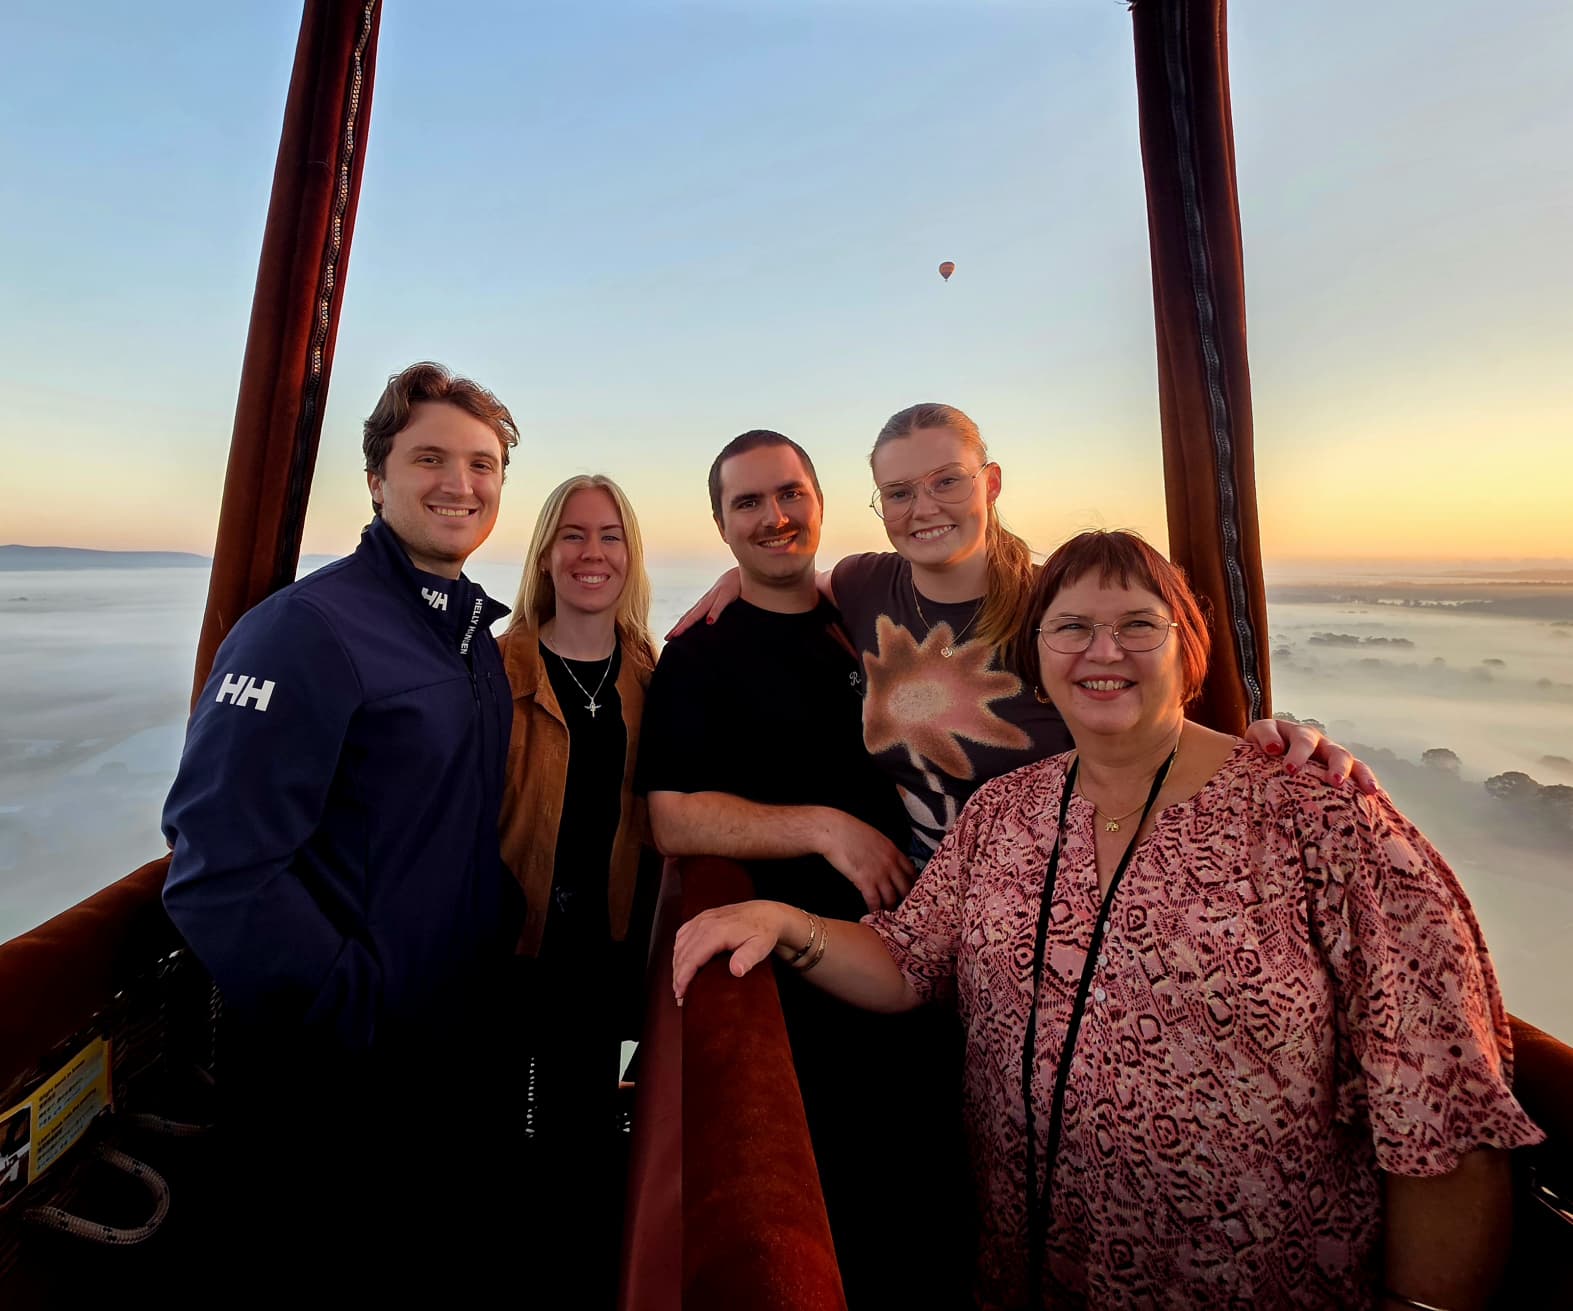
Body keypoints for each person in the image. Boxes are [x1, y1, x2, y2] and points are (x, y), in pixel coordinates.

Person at [673, 529, 1543, 1311]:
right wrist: (786, 921)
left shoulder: (1317, 814)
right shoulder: (1004, 813)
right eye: (1071, 628)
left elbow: (1443, 1102)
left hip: (1259, 1283)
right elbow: (906, 961)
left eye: (1136, 625)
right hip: (1027, 1267)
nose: (1103, 651)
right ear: (1037, 654)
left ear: (1186, 646)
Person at [161, 362, 522, 1285]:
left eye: (482, 465)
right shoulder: (307, 629)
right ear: (376, 478)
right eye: (430, 458)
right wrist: (353, 1002)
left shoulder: (469, 636)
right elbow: (216, 869)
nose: (460, 484)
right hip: (332, 1073)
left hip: (443, 1045)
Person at [673, 402, 1375, 863]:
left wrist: (1265, 748)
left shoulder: (1058, 607)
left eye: (947, 481)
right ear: (877, 503)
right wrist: (737, 579)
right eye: (899, 492)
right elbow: (798, 578)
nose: (923, 508)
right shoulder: (863, 584)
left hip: (1052, 912)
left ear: (992, 482)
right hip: (911, 911)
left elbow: (1156, 711)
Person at [637, 429, 967, 1305]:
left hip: (928, 966)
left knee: (946, 1215)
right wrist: (823, 828)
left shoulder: (860, 618)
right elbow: (670, 816)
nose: (773, 516)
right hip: (804, 995)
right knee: (848, 1223)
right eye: (747, 502)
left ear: (821, 503)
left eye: (789, 494)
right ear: (719, 523)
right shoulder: (698, 654)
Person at [496, 473, 660, 1306]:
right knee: (515, 1139)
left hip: (611, 958)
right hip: (511, 959)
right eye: (573, 534)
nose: (591, 552)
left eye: (609, 535)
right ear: (545, 553)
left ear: (630, 555)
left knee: (596, 1134)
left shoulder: (650, 672)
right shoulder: (497, 667)